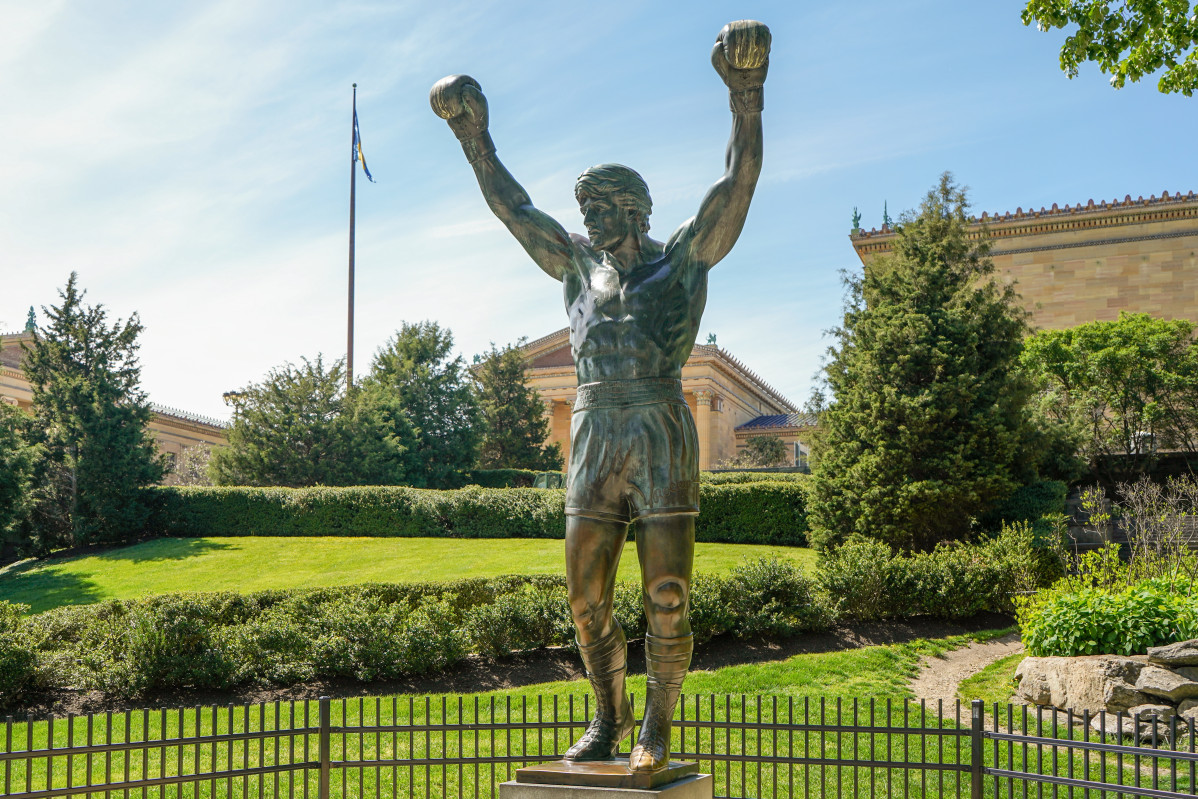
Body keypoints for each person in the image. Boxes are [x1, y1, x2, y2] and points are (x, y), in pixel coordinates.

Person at [430, 20, 770, 773]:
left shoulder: (681, 261)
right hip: (592, 431)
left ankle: (656, 724)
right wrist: (474, 138)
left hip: (657, 424)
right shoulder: (577, 270)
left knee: (669, 592)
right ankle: (608, 716)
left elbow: (736, 187)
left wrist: (746, 96)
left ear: (634, 208)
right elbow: (514, 209)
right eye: (583, 205)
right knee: (586, 598)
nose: (585, 215)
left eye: (598, 204)